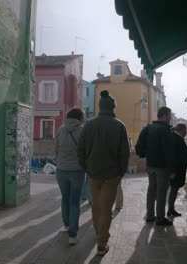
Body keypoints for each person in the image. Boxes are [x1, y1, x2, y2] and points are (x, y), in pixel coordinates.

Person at [78, 90, 130, 256]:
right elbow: (125, 152)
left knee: (97, 206)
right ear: (113, 107)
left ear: (100, 106)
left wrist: (86, 167)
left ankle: (99, 232)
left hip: (93, 173)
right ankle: (102, 243)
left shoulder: (89, 125)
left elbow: (81, 149)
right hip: (111, 174)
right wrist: (121, 171)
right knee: (106, 208)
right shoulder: (119, 125)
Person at [138, 106, 175, 226]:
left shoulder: (148, 128)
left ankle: (149, 216)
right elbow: (169, 151)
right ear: (164, 116)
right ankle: (160, 218)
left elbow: (139, 146)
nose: (170, 118)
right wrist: (172, 169)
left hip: (150, 165)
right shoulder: (165, 130)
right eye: (169, 116)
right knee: (161, 193)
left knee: (151, 190)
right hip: (162, 167)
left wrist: (145, 155)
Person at [55, 108, 86, 245]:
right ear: (80, 117)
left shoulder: (61, 129)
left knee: (65, 198)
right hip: (77, 170)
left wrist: (61, 162)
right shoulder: (83, 130)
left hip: (61, 170)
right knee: (74, 201)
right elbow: (86, 150)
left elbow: (56, 149)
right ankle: (72, 235)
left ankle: (66, 225)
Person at [167, 123, 187, 217]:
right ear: (181, 130)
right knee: (173, 190)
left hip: (177, 170)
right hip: (175, 170)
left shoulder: (175, 138)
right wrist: (173, 171)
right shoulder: (175, 139)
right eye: (185, 130)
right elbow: (173, 156)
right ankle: (170, 210)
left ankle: (171, 209)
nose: (186, 132)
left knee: (174, 190)